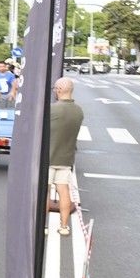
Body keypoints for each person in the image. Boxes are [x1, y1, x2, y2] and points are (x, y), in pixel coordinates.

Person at [48, 77, 84, 236]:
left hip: (49, 158)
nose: (55, 91)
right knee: (64, 190)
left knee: (45, 192)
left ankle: (44, 226)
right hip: (67, 158)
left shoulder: (52, 110)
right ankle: (64, 226)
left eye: (55, 89)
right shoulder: (78, 111)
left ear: (60, 90)